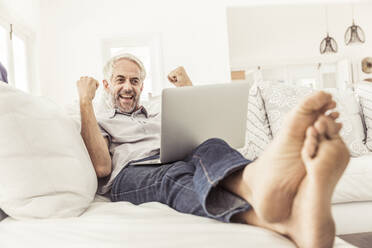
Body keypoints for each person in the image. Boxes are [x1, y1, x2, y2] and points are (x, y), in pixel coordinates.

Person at [76, 53, 350, 248]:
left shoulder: (158, 112)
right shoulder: (99, 118)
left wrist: (185, 87)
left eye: (134, 81)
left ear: (142, 86)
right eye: (120, 80)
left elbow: (199, 128)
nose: (128, 87)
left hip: (171, 156)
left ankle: (256, 180)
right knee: (175, 176)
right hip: (131, 174)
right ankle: (279, 217)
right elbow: (102, 167)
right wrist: (84, 101)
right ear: (107, 85)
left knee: (212, 144)